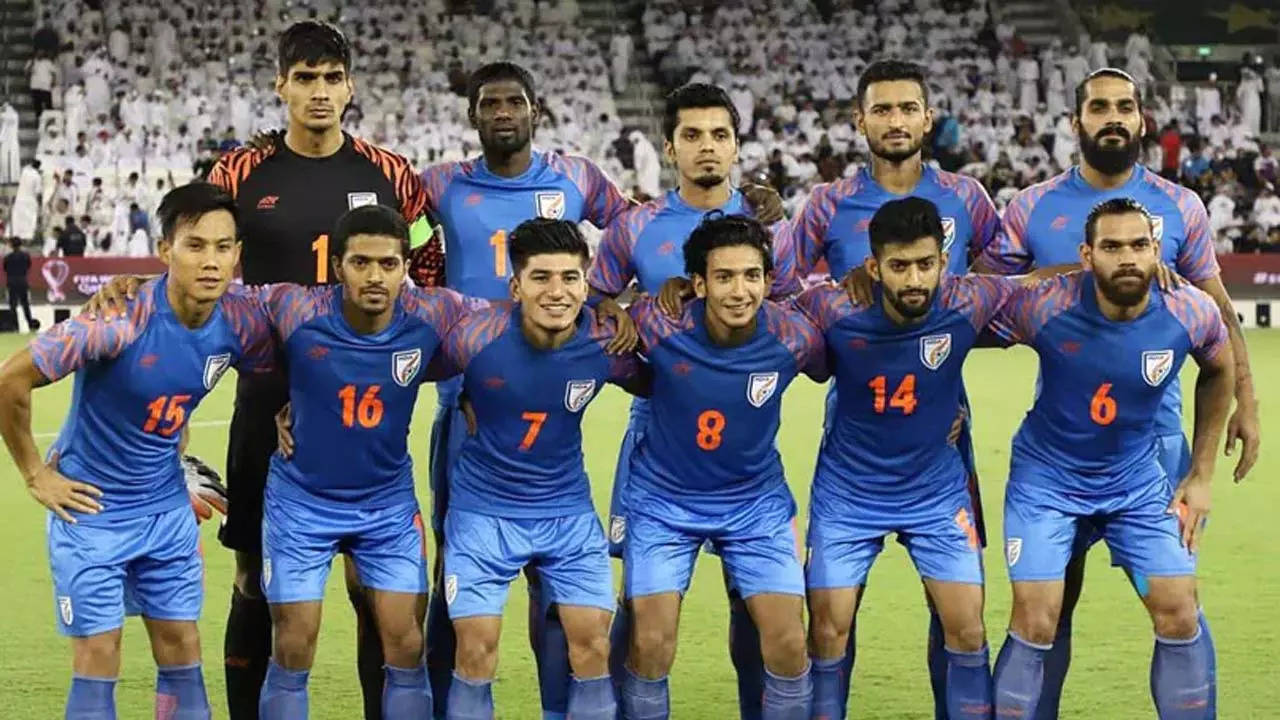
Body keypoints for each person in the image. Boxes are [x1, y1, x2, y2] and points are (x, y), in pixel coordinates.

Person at [974, 68, 1262, 719]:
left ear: (1141, 119)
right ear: (1076, 121)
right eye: (1098, 106)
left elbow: (1215, 317)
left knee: (1176, 600)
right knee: (1048, 608)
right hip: (1063, 439)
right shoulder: (1031, 206)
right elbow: (983, 301)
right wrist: (1085, 273)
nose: (1112, 117)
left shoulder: (1180, 206)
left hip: (1154, 447)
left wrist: (1248, 400)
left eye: (1124, 107)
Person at [203, 21, 444, 720]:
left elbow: (427, 269)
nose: (319, 92)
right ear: (280, 85)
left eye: (332, 77)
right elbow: (205, 266)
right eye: (304, 78)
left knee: (373, 588)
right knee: (253, 578)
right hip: (265, 399)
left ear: (351, 86)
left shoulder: (391, 174)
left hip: (362, 400)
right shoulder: (240, 172)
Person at [0, 182, 274, 720]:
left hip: (166, 511)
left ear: (239, 254)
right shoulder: (118, 320)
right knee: (99, 659)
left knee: (182, 651)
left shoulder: (242, 320)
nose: (212, 261)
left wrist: (187, 458)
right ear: (164, 249)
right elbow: (10, 378)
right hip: (92, 512)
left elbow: (286, 364)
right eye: (195, 245)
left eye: (223, 247)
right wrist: (36, 474)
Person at [414, 61, 635, 719]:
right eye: (490, 103)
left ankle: (556, 706)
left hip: (549, 377)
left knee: (554, 575)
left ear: (536, 110)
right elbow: (369, 223)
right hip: (464, 394)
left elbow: (634, 233)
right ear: (474, 114)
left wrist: (607, 299)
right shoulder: (441, 185)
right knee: (453, 562)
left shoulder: (576, 178)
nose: (502, 112)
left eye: (515, 101)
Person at [786, 59, 1002, 719]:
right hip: (855, 416)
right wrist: (829, 291)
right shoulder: (826, 203)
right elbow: (776, 283)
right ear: (860, 120)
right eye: (882, 109)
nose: (896, 120)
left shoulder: (967, 197)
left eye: (908, 107)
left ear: (927, 116)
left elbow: (1002, 285)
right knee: (829, 623)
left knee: (962, 612)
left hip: (943, 423)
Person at [588, 82, 795, 720]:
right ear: (671, 148)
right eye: (693, 136)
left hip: (746, 434)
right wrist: (634, 309)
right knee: (644, 617)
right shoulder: (637, 226)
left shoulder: (770, 224)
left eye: (720, 135)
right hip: (657, 430)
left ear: (737, 145)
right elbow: (596, 301)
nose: (707, 147)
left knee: (756, 607)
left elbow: (793, 315)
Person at [989, 198, 1234, 718]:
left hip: (1136, 483)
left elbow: (1220, 367)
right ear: (1087, 255)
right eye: (1112, 247)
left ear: (1156, 251)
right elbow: (955, 318)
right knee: (1037, 618)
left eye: (1139, 245)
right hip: (1046, 483)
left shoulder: (1188, 309)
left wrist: (1201, 473)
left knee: (1179, 611)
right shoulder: (1044, 304)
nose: (1127, 257)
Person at [249, 205, 469, 720]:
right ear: (337, 266)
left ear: (405, 266)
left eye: (389, 264)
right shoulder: (293, 307)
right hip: (301, 502)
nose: (375, 276)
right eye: (361, 263)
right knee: (293, 645)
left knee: (406, 646)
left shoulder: (435, 313)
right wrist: (134, 288)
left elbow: (512, 321)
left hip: (386, 504)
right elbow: (211, 304)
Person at [619, 214, 826, 720]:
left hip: (755, 502)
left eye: (751, 276)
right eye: (725, 277)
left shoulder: (796, 336)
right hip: (663, 501)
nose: (740, 290)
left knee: (789, 642)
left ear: (767, 281)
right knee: (650, 642)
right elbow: (585, 343)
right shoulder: (656, 324)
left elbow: (858, 364)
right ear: (698, 284)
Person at [436, 219, 645, 720]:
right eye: (541, 278)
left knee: (593, 645)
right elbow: (388, 366)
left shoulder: (604, 343)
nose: (557, 292)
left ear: (587, 284)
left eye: (570, 279)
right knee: (477, 649)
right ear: (516, 286)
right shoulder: (473, 335)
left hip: (567, 513)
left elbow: (670, 381)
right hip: (483, 515)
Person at [4, 238, 36, 331]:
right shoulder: (25, 256)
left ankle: (15, 326)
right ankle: (30, 324)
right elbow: (28, 266)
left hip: (12, 281)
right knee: (25, 304)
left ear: (11, 245)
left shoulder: (8, 257)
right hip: (22, 280)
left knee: (13, 305)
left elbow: (6, 269)